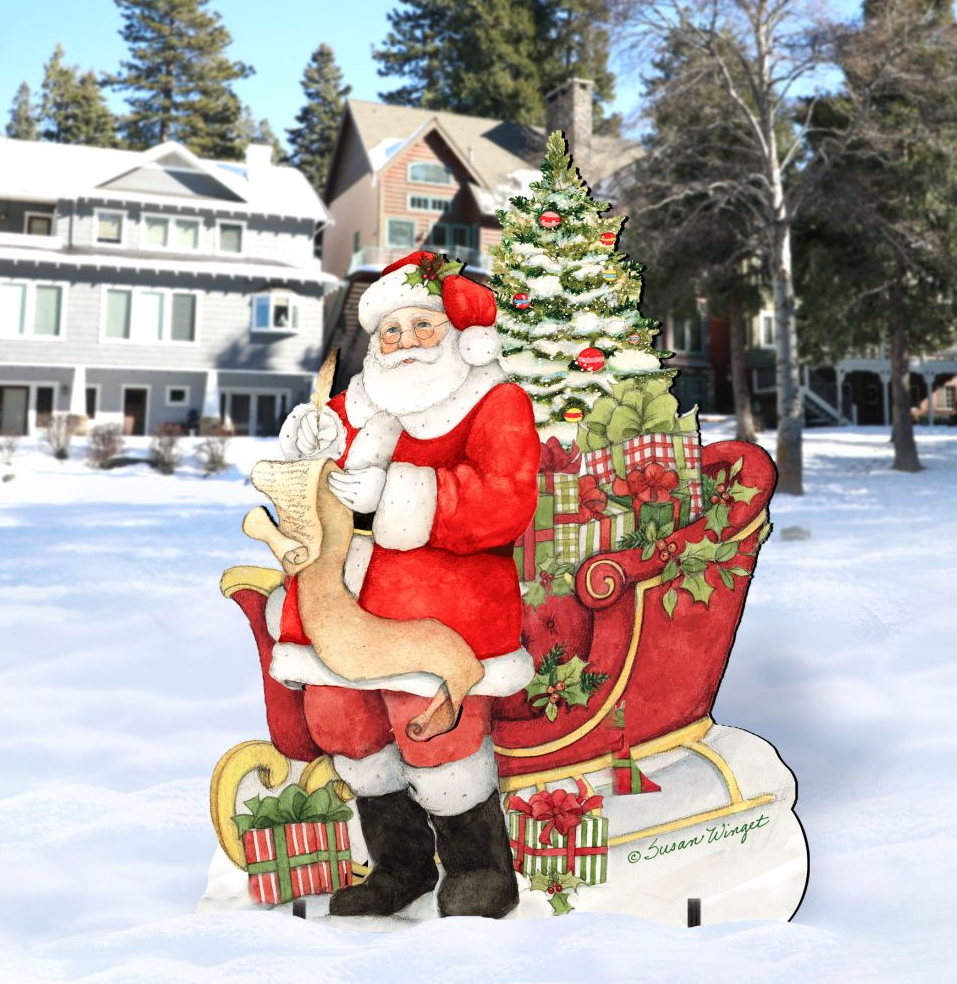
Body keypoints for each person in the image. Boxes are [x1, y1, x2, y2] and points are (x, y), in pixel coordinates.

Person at [273, 250, 540, 919]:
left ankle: (480, 870)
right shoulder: (355, 404)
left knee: (433, 735)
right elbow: (308, 485)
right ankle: (399, 865)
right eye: (389, 332)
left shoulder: (494, 400)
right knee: (341, 724)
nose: (403, 343)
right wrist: (309, 447)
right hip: (340, 603)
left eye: (421, 326)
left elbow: (505, 498)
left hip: (441, 602)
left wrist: (396, 493)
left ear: (455, 332)